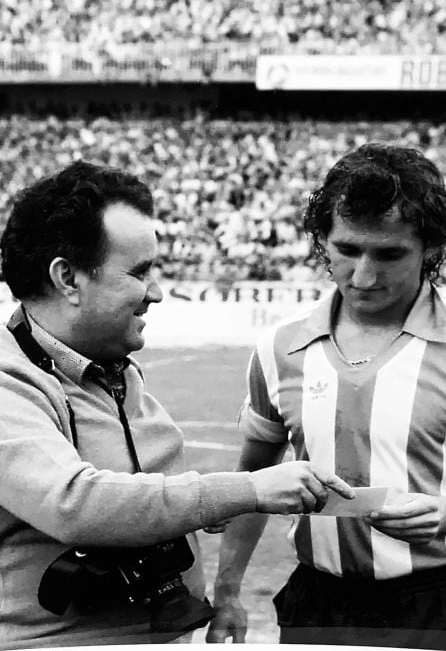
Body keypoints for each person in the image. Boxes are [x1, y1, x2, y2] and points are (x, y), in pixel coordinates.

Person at [0, 160, 353, 650]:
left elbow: (135, 493)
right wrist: (243, 490)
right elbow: (73, 503)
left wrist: (195, 512)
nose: (158, 293)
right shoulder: (7, 378)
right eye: (140, 271)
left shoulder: (113, 365)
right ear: (68, 279)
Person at [207, 143, 446, 650]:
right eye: (347, 250)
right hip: (317, 603)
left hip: (436, 603)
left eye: (389, 254)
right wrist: (226, 591)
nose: (363, 276)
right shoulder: (281, 348)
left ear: (430, 247)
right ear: (322, 241)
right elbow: (253, 480)